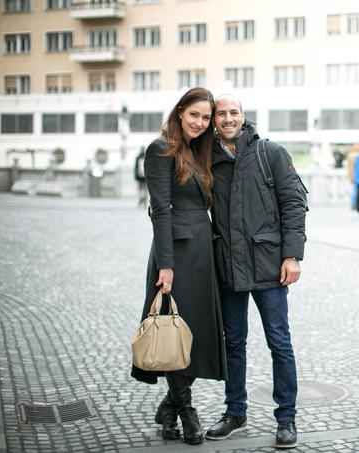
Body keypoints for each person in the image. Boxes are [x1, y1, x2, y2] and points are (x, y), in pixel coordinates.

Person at [207, 94, 306, 449]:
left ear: (243, 117)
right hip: (228, 268)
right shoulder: (208, 159)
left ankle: (286, 417)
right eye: (221, 114)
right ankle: (236, 412)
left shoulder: (270, 153)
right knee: (232, 343)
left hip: (269, 266)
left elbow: (294, 203)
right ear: (214, 120)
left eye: (233, 112)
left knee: (279, 342)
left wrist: (292, 255)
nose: (228, 118)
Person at [131, 87, 227, 446]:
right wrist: (166, 266)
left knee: (197, 334)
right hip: (175, 255)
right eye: (195, 115)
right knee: (174, 331)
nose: (200, 123)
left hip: (202, 253)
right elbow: (160, 210)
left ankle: (168, 409)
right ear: (180, 112)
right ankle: (187, 411)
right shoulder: (160, 149)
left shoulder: (199, 151)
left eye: (206, 118)